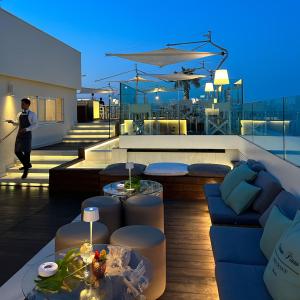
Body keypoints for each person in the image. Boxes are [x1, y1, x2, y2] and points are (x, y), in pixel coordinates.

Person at [7, 98, 38, 179]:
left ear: (28, 105)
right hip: (20, 134)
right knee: (17, 151)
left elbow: (35, 125)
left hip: (27, 135)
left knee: (27, 152)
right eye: (21, 104)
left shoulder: (32, 114)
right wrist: (12, 122)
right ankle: (27, 165)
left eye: (23, 104)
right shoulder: (19, 113)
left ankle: (26, 171)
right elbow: (18, 123)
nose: (21, 105)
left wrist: (26, 129)